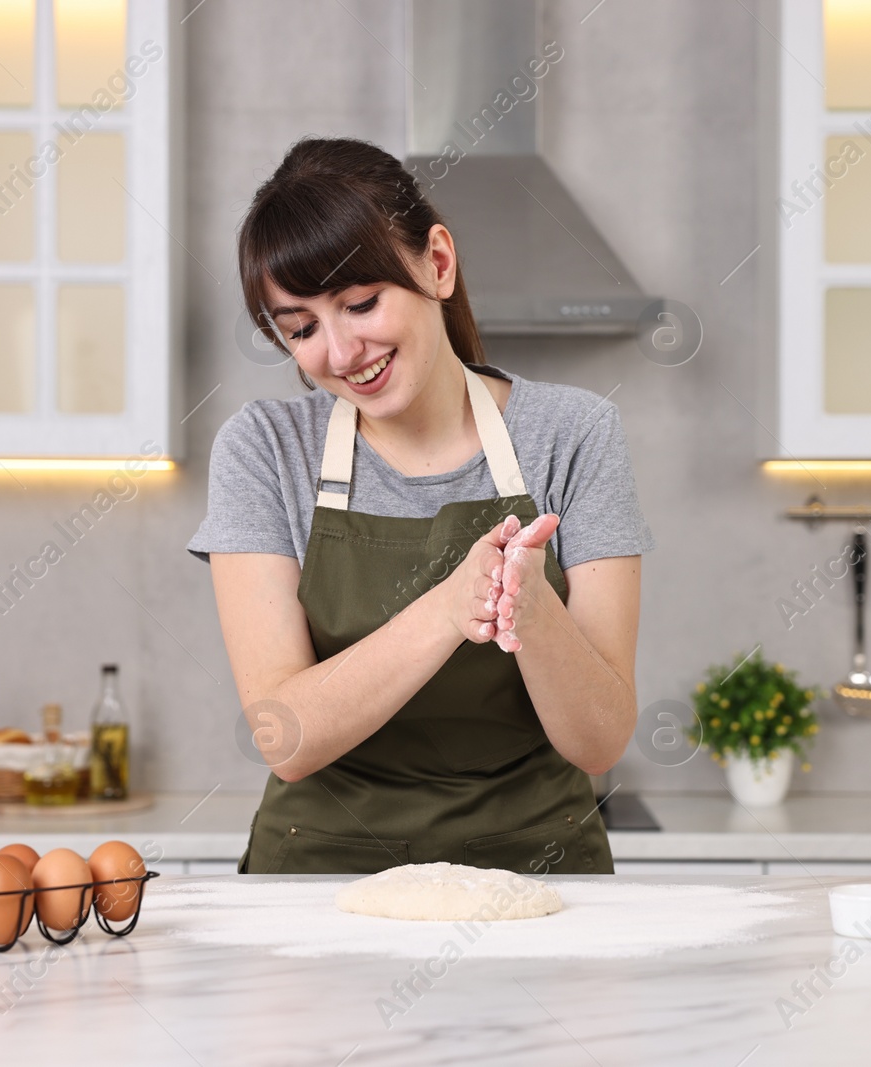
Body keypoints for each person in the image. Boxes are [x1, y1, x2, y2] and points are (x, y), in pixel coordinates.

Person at [188, 137, 654, 875]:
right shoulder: (263, 449)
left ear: (437, 263)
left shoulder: (574, 434)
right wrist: (447, 610)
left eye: (360, 303)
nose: (340, 352)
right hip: (318, 884)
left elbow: (599, 741)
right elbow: (285, 737)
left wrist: (532, 611)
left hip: (534, 880)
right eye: (301, 328)